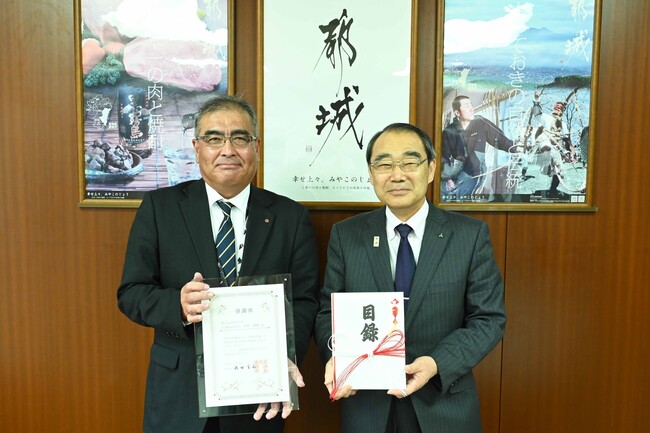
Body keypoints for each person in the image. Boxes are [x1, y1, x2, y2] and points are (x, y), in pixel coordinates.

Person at [117, 95, 319, 433]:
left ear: (256, 147)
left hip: (258, 394)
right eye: (214, 139)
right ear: (197, 148)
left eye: (240, 138)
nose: (228, 150)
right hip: (179, 393)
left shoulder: (290, 217)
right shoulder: (160, 208)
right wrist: (179, 305)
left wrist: (283, 356)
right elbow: (131, 292)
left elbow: (304, 300)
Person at [315, 123, 506, 433]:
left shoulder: (469, 235)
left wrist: (437, 363)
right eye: (384, 164)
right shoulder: (347, 235)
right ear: (371, 173)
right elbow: (328, 312)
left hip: (443, 403)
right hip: (367, 405)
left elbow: (488, 319)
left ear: (431, 169)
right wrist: (338, 358)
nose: (397, 174)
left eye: (409, 162)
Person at [441, 95, 519, 200]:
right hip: (457, 174)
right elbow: (442, 156)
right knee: (452, 200)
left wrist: (516, 148)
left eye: (471, 105)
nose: (471, 109)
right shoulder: (448, 132)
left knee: (466, 200)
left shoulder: (480, 122)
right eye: (466, 106)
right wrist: (448, 179)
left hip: (477, 172)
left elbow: (500, 139)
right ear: (457, 113)